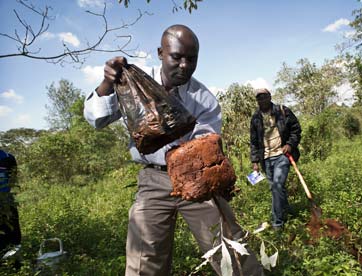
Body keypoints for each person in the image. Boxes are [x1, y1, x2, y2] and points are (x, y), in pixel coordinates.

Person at [84, 24, 264, 275]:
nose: (184, 66)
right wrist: (107, 82)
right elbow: (96, 119)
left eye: (191, 59)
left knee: (228, 248)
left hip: (195, 178)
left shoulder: (204, 99)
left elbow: (206, 144)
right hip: (153, 179)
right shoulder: (133, 83)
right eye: (177, 57)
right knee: (144, 258)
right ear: (161, 53)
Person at [250, 88, 301, 231]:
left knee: (277, 185)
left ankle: (277, 223)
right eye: (259, 98)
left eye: (265, 97)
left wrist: (290, 144)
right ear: (257, 101)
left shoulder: (282, 111)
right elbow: (254, 141)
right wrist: (255, 161)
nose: (262, 100)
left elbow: (296, 130)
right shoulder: (255, 118)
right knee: (275, 188)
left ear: (270, 97)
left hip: (282, 155)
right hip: (266, 159)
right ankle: (287, 211)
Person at [0, 150, 21, 261]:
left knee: (12, 234)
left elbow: (12, 179)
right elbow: (12, 180)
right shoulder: (9, 157)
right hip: (7, 199)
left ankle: (12, 262)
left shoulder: (8, 158)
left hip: (6, 201)